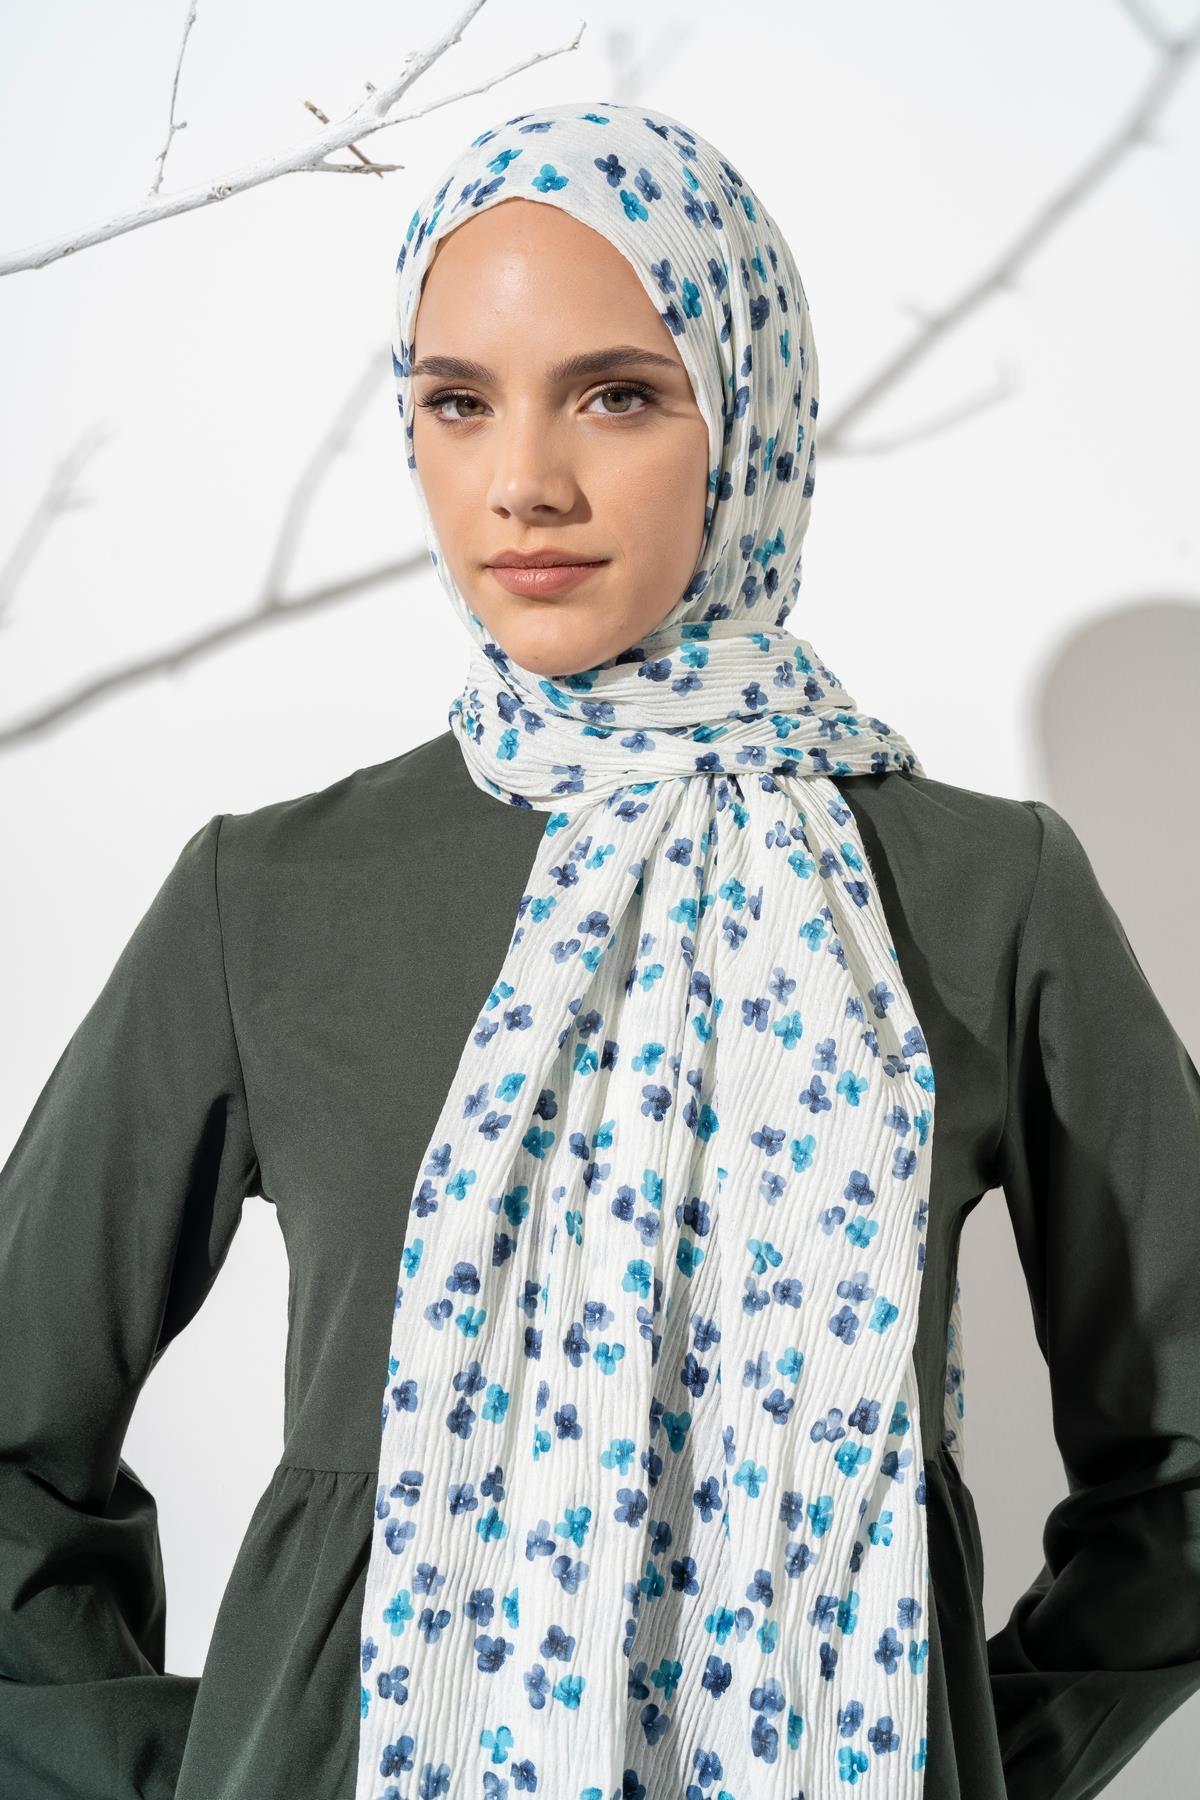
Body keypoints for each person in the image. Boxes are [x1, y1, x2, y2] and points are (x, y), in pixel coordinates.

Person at [2, 98, 1199, 1800]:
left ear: (749, 416)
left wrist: (962, 1747)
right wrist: (209, 1764)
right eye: (458, 402)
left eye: (619, 394)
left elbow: (1187, 1456)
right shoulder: (265, 897)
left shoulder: (982, 893)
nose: (524, 483)